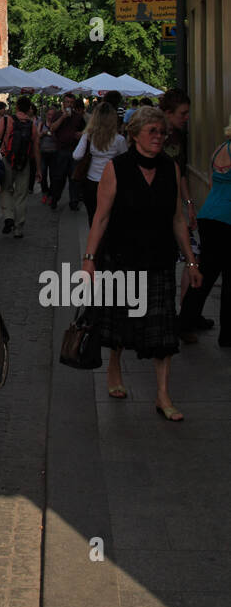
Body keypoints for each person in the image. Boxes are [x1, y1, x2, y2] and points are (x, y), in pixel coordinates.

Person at [81, 107, 202, 419]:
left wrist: (190, 262)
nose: (159, 138)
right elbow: (101, 217)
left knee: (163, 331)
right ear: (134, 135)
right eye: (153, 132)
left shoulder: (170, 168)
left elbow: (176, 218)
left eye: (162, 133)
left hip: (159, 260)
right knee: (120, 325)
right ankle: (114, 367)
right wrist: (89, 260)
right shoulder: (116, 168)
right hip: (121, 258)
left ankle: (162, 395)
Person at [177, 114, 231, 345]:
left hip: (210, 214)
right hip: (227, 218)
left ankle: (185, 321)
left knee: (206, 273)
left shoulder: (221, 148)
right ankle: (227, 335)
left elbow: (211, 182)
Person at [159, 89, 198, 307]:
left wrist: (189, 204)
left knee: (191, 256)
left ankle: (184, 317)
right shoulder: (154, 135)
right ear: (167, 112)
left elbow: (180, 172)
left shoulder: (179, 136)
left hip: (174, 210)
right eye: (182, 113)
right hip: (157, 210)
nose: (186, 118)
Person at [71, 101, 128, 226]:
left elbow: (76, 155)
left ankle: (95, 243)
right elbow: (125, 161)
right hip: (112, 183)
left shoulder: (88, 136)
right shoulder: (119, 139)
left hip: (91, 182)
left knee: (93, 218)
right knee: (110, 219)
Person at [0, 95, 41, 238]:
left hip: (7, 160)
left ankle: (8, 217)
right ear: (29, 109)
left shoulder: (6, 120)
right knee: (21, 195)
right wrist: (39, 169)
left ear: (16, 107)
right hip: (24, 163)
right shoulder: (32, 125)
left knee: (6, 190)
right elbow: (36, 149)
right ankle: (19, 228)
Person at [47, 94, 85, 210]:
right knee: (58, 177)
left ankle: (73, 202)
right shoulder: (58, 115)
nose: (69, 104)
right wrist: (63, 117)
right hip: (60, 151)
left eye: (71, 102)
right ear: (63, 103)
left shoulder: (78, 117)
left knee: (74, 178)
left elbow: (85, 130)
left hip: (73, 151)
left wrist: (81, 134)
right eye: (67, 102)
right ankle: (55, 198)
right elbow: (52, 128)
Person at [39, 105, 59, 203]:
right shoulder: (42, 124)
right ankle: (45, 192)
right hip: (43, 152)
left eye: (52, 115)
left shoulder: (57, 124)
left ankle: (51, 194)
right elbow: (38, 135)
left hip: (54, 152)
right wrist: (44, 133)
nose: (50, 116)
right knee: (42, 174)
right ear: (46, 114)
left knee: (53, 175)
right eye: (49, 114)